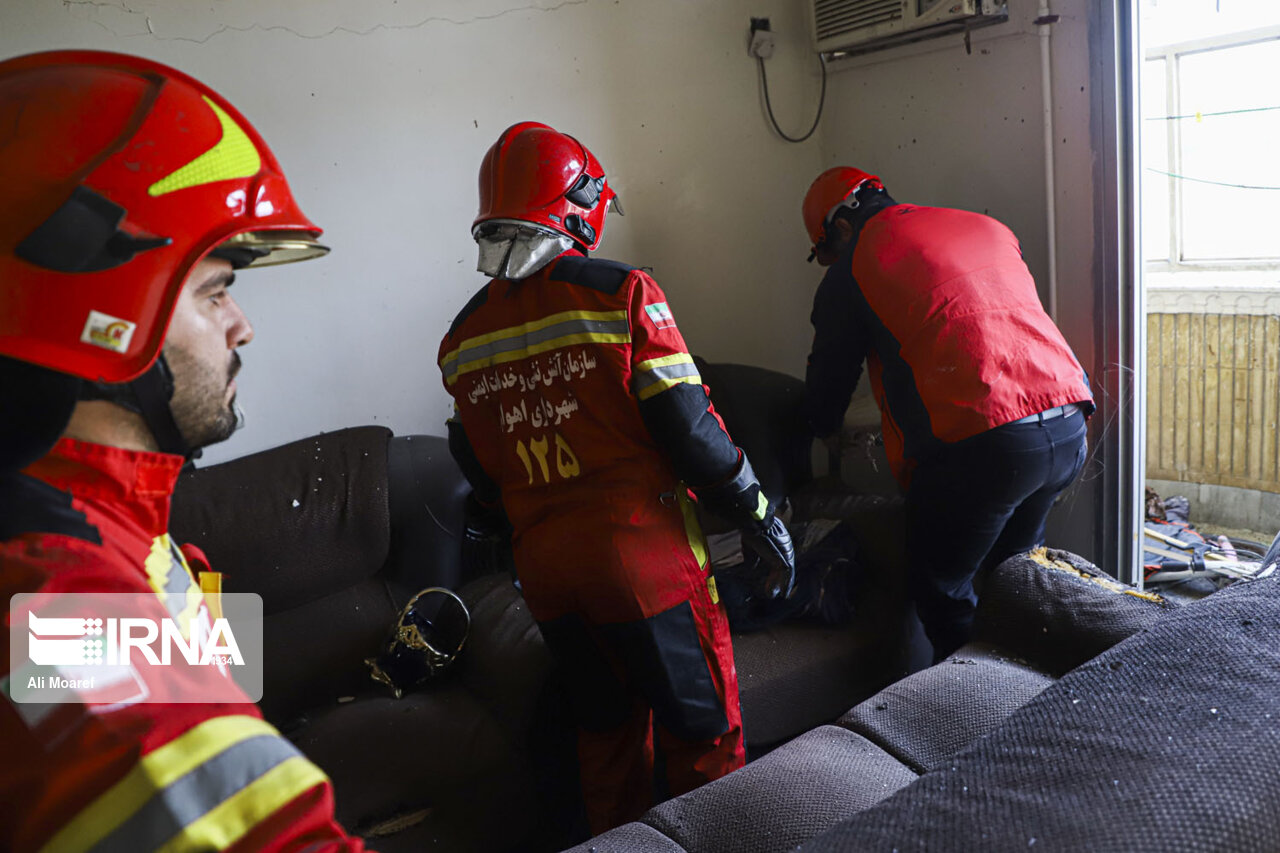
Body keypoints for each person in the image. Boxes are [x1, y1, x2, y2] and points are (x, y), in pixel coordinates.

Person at [0, 50, 364, 850]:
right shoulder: (51, 585)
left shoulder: (115, 525)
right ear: (104, 315)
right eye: (215, 289)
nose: (243, 325)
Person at [438, 121, 794, 834]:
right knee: (705, 739)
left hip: (546, 574)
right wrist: (757, 511)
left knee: (605, 742)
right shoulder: (623, 292)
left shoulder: (461, 338)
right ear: (577, 204)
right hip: (643, 559)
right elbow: (690, 427)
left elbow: (478, 469)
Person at [800, 166, 1095, 662]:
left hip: (990, 441)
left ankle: (972, 709)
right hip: (1068, 420)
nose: (832, 263)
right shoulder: (984, 227)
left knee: (941, 587)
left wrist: (824, 429)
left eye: (828, 251)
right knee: (1016, 575)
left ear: (843, 228)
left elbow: (830, 375)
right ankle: (1033, 693)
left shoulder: (854, 265)